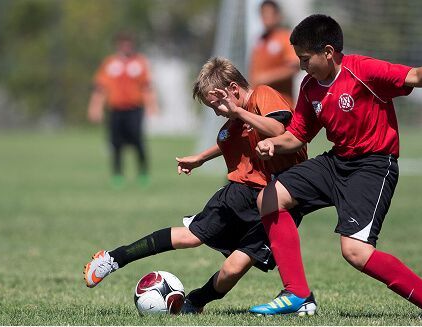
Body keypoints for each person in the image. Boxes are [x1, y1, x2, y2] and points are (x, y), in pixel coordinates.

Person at [249, 15, 422, 320]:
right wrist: (274, 144)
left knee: (355, 252)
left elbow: (416, 76)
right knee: (269, 198)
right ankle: (297, 294)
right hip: (337, 161)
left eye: (305, 59)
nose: (301, 66)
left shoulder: (363, 70)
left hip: (373, 166)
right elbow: (297, 136)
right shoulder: (309, 86)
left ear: (328, 52)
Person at [83, 57, 308, 314]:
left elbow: (279, 128)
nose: (217, 112)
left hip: (279, 198)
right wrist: (201, 158)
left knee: (233, 269)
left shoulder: (263, 95)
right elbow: (232, 140)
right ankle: (113, 259)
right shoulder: (233, 122)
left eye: (216, 105)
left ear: (233, 89)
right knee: (190, 238)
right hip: (242, 193)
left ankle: (194, 302)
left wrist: (236, 112)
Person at [87, 32, 159, 188]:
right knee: (115, 143)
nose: (126, 47)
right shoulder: (110, 63)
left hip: (134, 109)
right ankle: (117, 175)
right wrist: (95, 107)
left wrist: (152, 106)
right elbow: (100, 88)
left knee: (137, 140)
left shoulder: (139, 63)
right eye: (123, 43)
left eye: (129, 43)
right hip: (115, 110)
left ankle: (143, 172)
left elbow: (147, 86)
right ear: (118, 45)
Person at [249, 0, 299, 106]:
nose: (265, 17)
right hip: (261, 105)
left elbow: (294, 67)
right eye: (263, 14)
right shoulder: (259, 41)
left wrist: (266, 78)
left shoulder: (285, 37)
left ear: (277, 15)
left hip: (282, 105)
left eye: (269, 13)